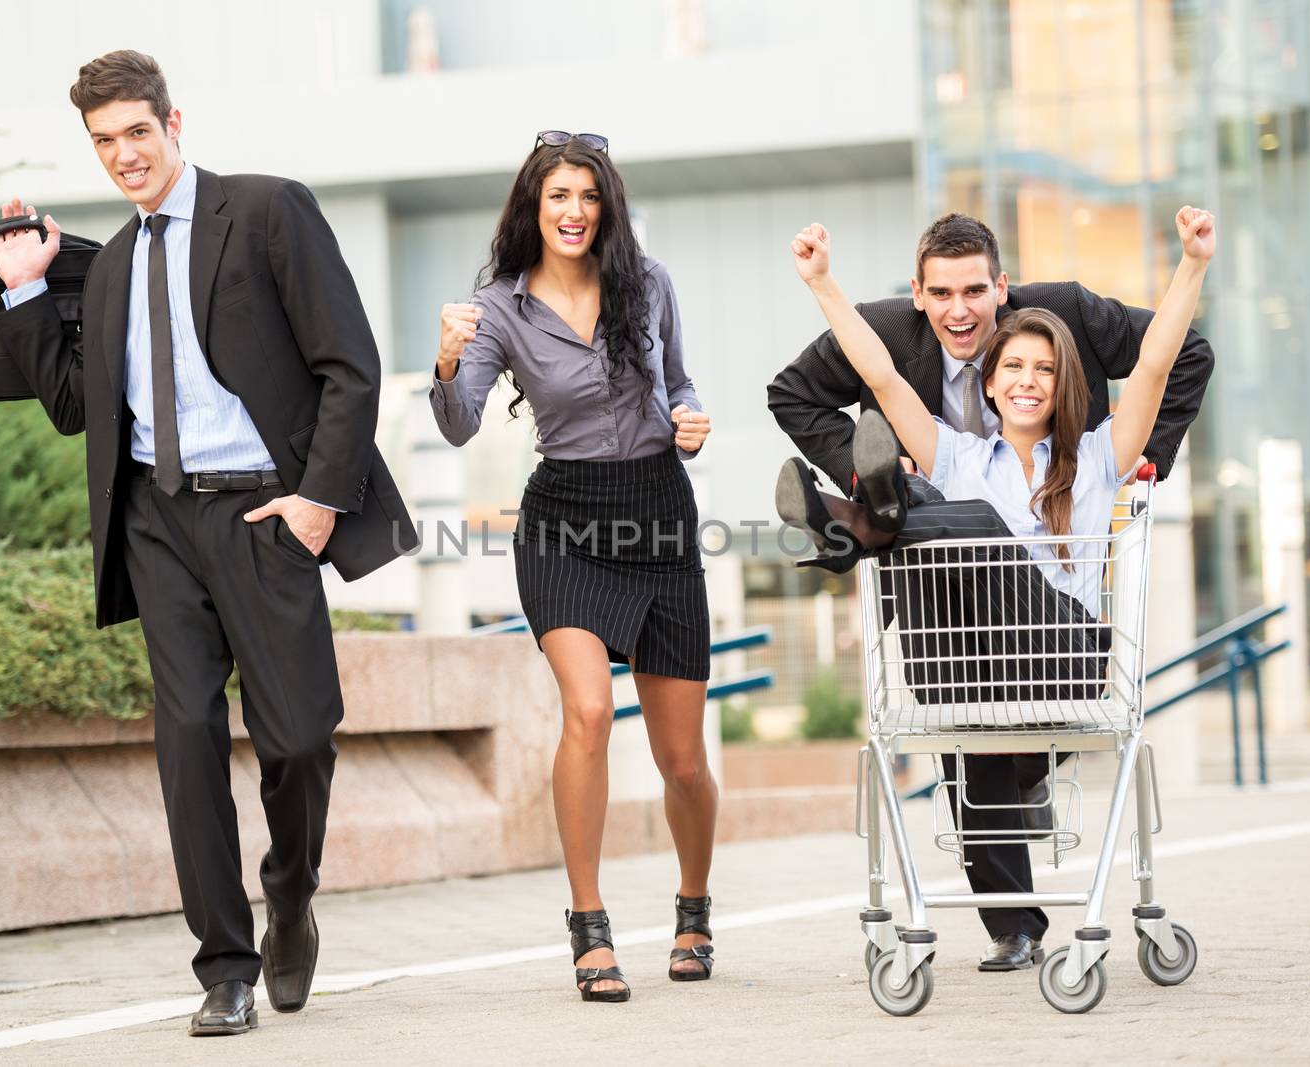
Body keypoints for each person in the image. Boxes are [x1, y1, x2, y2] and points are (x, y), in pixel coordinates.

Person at [0, 50, 416, 1036]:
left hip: (264, 512)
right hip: (155, 521)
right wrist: (21, 293)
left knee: (301, 735)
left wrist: (317, 501)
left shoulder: (265, 211)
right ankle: (224, 965)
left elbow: (349, 365)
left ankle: (292, 892)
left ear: (175, 124)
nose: (124, 155)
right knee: (185, 740)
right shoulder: (106, 269)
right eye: (104, 141)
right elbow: (73, 407)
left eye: (138, 131)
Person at [771, 209, 1215, 972]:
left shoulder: (1099, 453)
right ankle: (1017, 930)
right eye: (1013, 369)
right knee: (961, 652)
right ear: (990, 380)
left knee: (959, 518)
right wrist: (821, 284)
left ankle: (855, 526)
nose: (1026, 381)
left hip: (1066, 650)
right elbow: (878, 374)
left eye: (1043, 370)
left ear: (1064, 381)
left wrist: (1191, 266)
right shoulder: (960, 454)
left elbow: (1152, 366)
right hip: (976, 657)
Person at [429, 131, 716, 1003]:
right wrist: (445, 356)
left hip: (659, 515)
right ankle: (589, 927)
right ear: (533, 207)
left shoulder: (649, 282)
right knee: (588, 708)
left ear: (607, 207)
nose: (574, 212)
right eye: (558, 196)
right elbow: (457, 421)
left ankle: (694, 908)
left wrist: (692, 416)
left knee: (682, 759)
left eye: (588, 197)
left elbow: (680, 385)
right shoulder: (499, 308)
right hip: (563, 524)